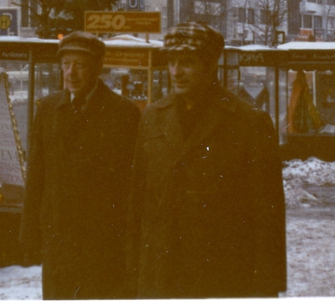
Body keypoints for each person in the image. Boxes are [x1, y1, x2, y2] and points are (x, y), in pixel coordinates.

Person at [127, 22, 286, 298]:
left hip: (223, 276)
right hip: (161, 275)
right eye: (172, 61)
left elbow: (267, 215)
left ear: (211, 65)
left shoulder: (249, 122)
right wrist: (133, 278)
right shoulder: (153, 117)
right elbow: (138, 203)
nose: (176, 71)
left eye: (187, 62)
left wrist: (266, 287)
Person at [20, 32, 140, 299]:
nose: (70, 73)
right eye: (66, 64)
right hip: (58, 245)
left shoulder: (123, 113)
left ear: (98, 68)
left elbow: (131, 188)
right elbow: (36, 176)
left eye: (80, 65)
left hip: (103, 246)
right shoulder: (48, 109)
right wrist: (29, 234)